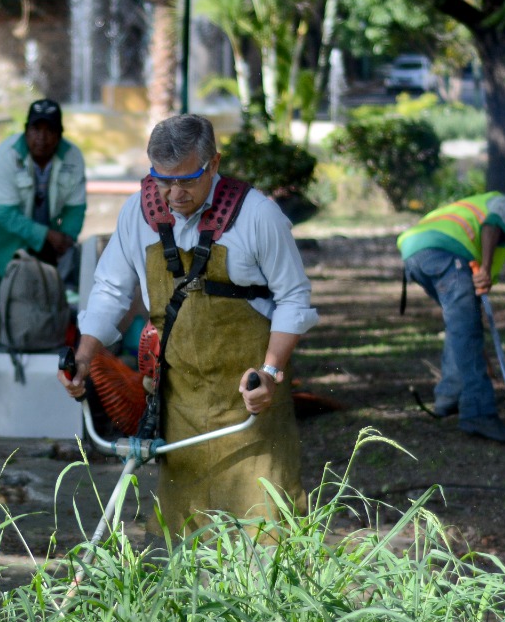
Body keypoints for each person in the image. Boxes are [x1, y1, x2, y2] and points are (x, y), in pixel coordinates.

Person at [62, 113, 318, 530]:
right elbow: (110, 289)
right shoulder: (139, 214)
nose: (173, 194)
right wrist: (85, 356)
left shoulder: (256, 216)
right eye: (162, 180)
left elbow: (293, 298)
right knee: (183, 530)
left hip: (251, 400)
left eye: (187, 180)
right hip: (179, 399)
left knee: (265, 526)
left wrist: (270, 372)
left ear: (213, 165)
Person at [0, 97, 87, 398]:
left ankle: (32, 388)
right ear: (26, 131)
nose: (42, 137)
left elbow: (76, 207)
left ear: (59, 134)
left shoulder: (73, 156)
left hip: (41, 242)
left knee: (36, 311)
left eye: (49, 131)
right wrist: (48, 237)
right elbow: (6, 214)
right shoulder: (6, 155)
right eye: (36, 129)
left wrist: (67, 237)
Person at [397, 191, 505, 445]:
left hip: (414, 253)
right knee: (465, 331)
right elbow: (493, 224)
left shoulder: (468, 205)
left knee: (461, 326)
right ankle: (478, 412)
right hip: (444, 254)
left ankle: (449, 397)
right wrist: (486, 269)